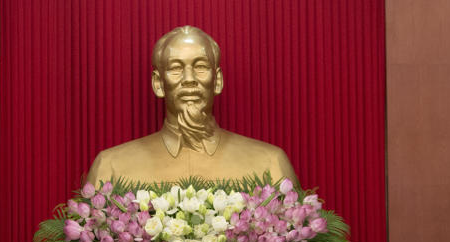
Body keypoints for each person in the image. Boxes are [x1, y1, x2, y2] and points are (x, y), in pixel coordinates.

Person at [85, 25, 299, 185]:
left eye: (201, 66)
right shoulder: (111, 167)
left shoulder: (270, 165)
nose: (189, 78)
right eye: (176, 68)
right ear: (158, 83)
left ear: (218, 81)